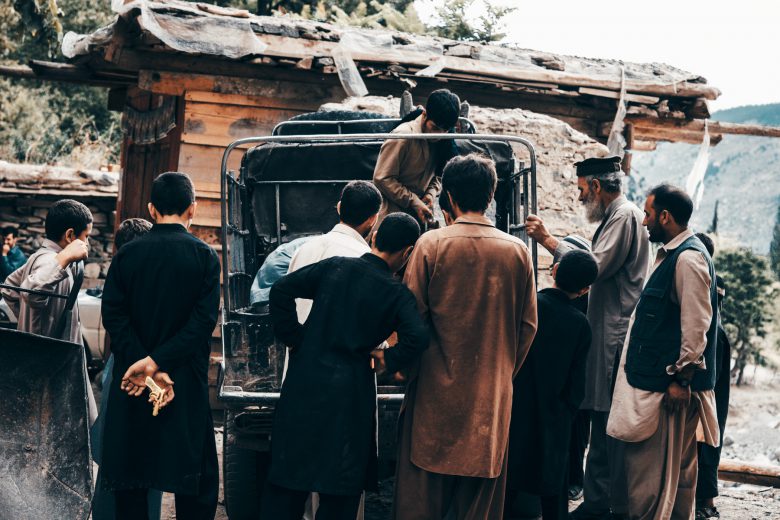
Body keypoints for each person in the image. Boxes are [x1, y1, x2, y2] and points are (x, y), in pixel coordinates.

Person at [393, 153, 538, 519]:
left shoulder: (431, 245)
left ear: (449, 197)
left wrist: (405, 370)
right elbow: (527, 328)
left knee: (421, 499)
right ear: (491, 196)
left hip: (432, 395)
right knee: (479, 504)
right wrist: (502, 373)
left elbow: (410, 322)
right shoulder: (517, 251)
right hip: (490, 399)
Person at [261, 213, 429, 520]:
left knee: (288, 483)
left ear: (374, 237)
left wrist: (296, 339)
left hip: (304, 385)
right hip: (350, 396)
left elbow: (280, 290)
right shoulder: (396, 294)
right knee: (339, 492)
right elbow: (417, 337)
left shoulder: (336, 267)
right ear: (407, 253)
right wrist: (389, 358)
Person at [525, 156, 650, 519]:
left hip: (614, 334)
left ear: (596, 186)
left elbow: (593, 266)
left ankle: (602, 503)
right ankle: (598, 500)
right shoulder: (619, 216)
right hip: (607, 330)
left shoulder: (624, 216)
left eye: (582, 190)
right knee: (600, 417)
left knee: (606, 418)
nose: (580, 197)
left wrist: (547, 240)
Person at [101, 172, 220, 520]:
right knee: (194, 483)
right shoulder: (204, 256)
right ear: (192, 209)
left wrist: (144, 364)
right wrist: (158, 362)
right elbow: (201, 324)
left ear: (152, 209)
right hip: (184, 383)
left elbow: (114, 316)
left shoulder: (127, 255)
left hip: (134, 381)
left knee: (132, 479)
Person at [607, 184, 719, 520]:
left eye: (648, 214)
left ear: (665, 217)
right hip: (658, 386)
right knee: (670, 479)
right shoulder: (676, 255)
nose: (644, 221)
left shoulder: (688, 258)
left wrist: (682, 381)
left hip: (667, 391)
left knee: (650, 481)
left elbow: (696, 327)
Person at [506, 249, 598, 520]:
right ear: (584, 290)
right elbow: (577, 383)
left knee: (507, 487)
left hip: (514, 408)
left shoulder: (528, 306)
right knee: (554, 490)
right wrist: (567, 411)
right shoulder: (580, 324)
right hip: (555, 417)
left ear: (554, 270)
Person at [91, 218, 162, 520]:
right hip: (152, 368)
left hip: (125, 366)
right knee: (147, 453)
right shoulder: (158, 275)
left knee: (115, 450)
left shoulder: (121, 272)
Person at [0, 200, 96, 422]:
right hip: (49, 367)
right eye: (86, 236)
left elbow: (10, 288)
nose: (88, 243)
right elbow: (31, 292)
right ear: (70, 235)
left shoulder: (40, 256)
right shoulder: (49, 260)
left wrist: (29, 319)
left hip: (52, 362)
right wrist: (34, 328)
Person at [288, 180, 382, 323]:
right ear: (373, 219)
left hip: (296, 336)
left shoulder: (303, 249)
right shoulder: (366, 259)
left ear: (339, 207)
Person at [373, 88, 460, 226]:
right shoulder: (403, 137)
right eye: (435, 128)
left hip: (419, 213)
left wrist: (430, 193)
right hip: (390, 213)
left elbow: (439, 174)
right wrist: (413, 201)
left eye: (445, 130)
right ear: (424, 114)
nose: (439, 135)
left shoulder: (444, 141)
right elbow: (382, 178)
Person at [693, 233, 731, 520]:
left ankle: (706, 500)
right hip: (714, 343)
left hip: (708, 348)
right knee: (710, 427)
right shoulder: (715, 281)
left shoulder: (706, 279)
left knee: (707, 428)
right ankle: (704, 499)